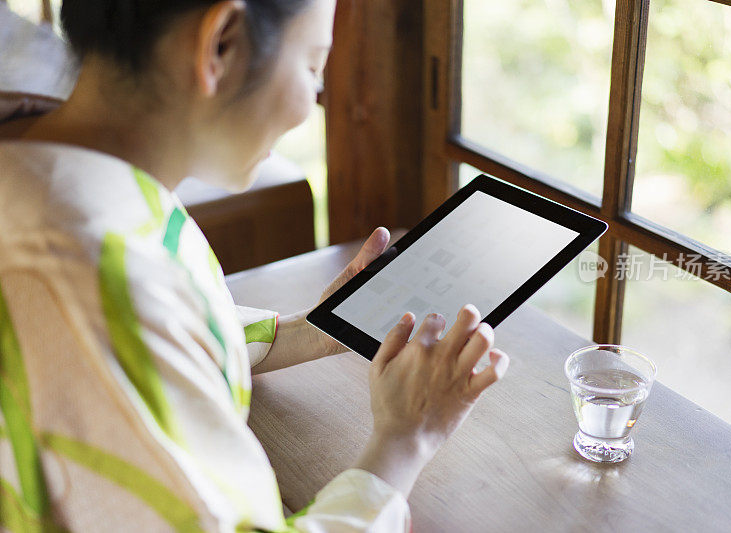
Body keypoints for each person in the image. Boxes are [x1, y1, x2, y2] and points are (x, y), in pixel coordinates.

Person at [0, 1, 510, 531]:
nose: (310, 101)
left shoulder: (50, 160)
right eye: (313, 65)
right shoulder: (86, 280)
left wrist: (313, 330)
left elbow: (164, 326)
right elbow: (124, 321)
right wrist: (405, 439)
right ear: (221, 41)